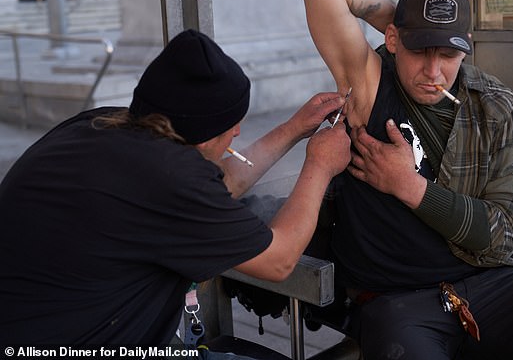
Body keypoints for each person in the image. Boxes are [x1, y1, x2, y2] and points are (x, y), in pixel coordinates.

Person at [303, 0, 513, 360]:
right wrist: (400, 24)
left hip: (490, 281)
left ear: (466, 46)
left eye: (448, 53)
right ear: (394, 40)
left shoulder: (496, 108)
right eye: (420, 51)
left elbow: (502, 236)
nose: (433, 72)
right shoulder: (371, 84)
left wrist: (410, 186)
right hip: (397, 297)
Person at [0, 29, 351, 354]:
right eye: (231, 126)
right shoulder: (165, 175)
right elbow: (279, 260)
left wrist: (294, 128)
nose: (238, 133)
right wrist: (319, 164)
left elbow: (219, 187)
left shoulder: (109, 125)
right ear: (203, 134)